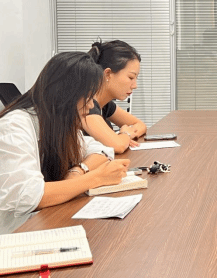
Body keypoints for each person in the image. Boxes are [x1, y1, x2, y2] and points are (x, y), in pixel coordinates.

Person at [0, 52, 130, 234]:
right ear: (66, 95)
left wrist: (79, 170)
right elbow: (30, 196)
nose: (91, 106)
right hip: (16, 234)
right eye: (88, 97)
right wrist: (96, 178)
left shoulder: (57, 122)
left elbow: (100, 149)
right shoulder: (15, 125)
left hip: (46, 223)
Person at [82, 40, 147, 154]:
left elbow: (140, 125)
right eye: (131, 77)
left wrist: (125, 136)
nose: (135, 86)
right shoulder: (86, 105)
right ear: (107, 74)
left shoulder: (105, 104)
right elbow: (118, 146)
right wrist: (125, 135)